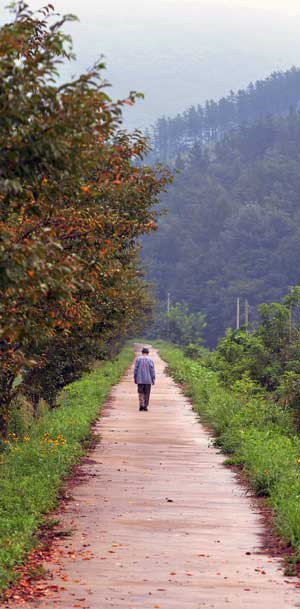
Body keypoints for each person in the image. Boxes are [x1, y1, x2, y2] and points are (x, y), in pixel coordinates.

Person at [134, 347, 155, 411]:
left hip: (140, 379)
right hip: (148, 380)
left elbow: (135, 369)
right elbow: (152, 370)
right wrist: (153, 378)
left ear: (142, 352)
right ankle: (145, 406)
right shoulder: (150, 360)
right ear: (147, 353)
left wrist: (135, 377)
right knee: (147, 393)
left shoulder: (138, 359)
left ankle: (141, 405)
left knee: (140, 392)